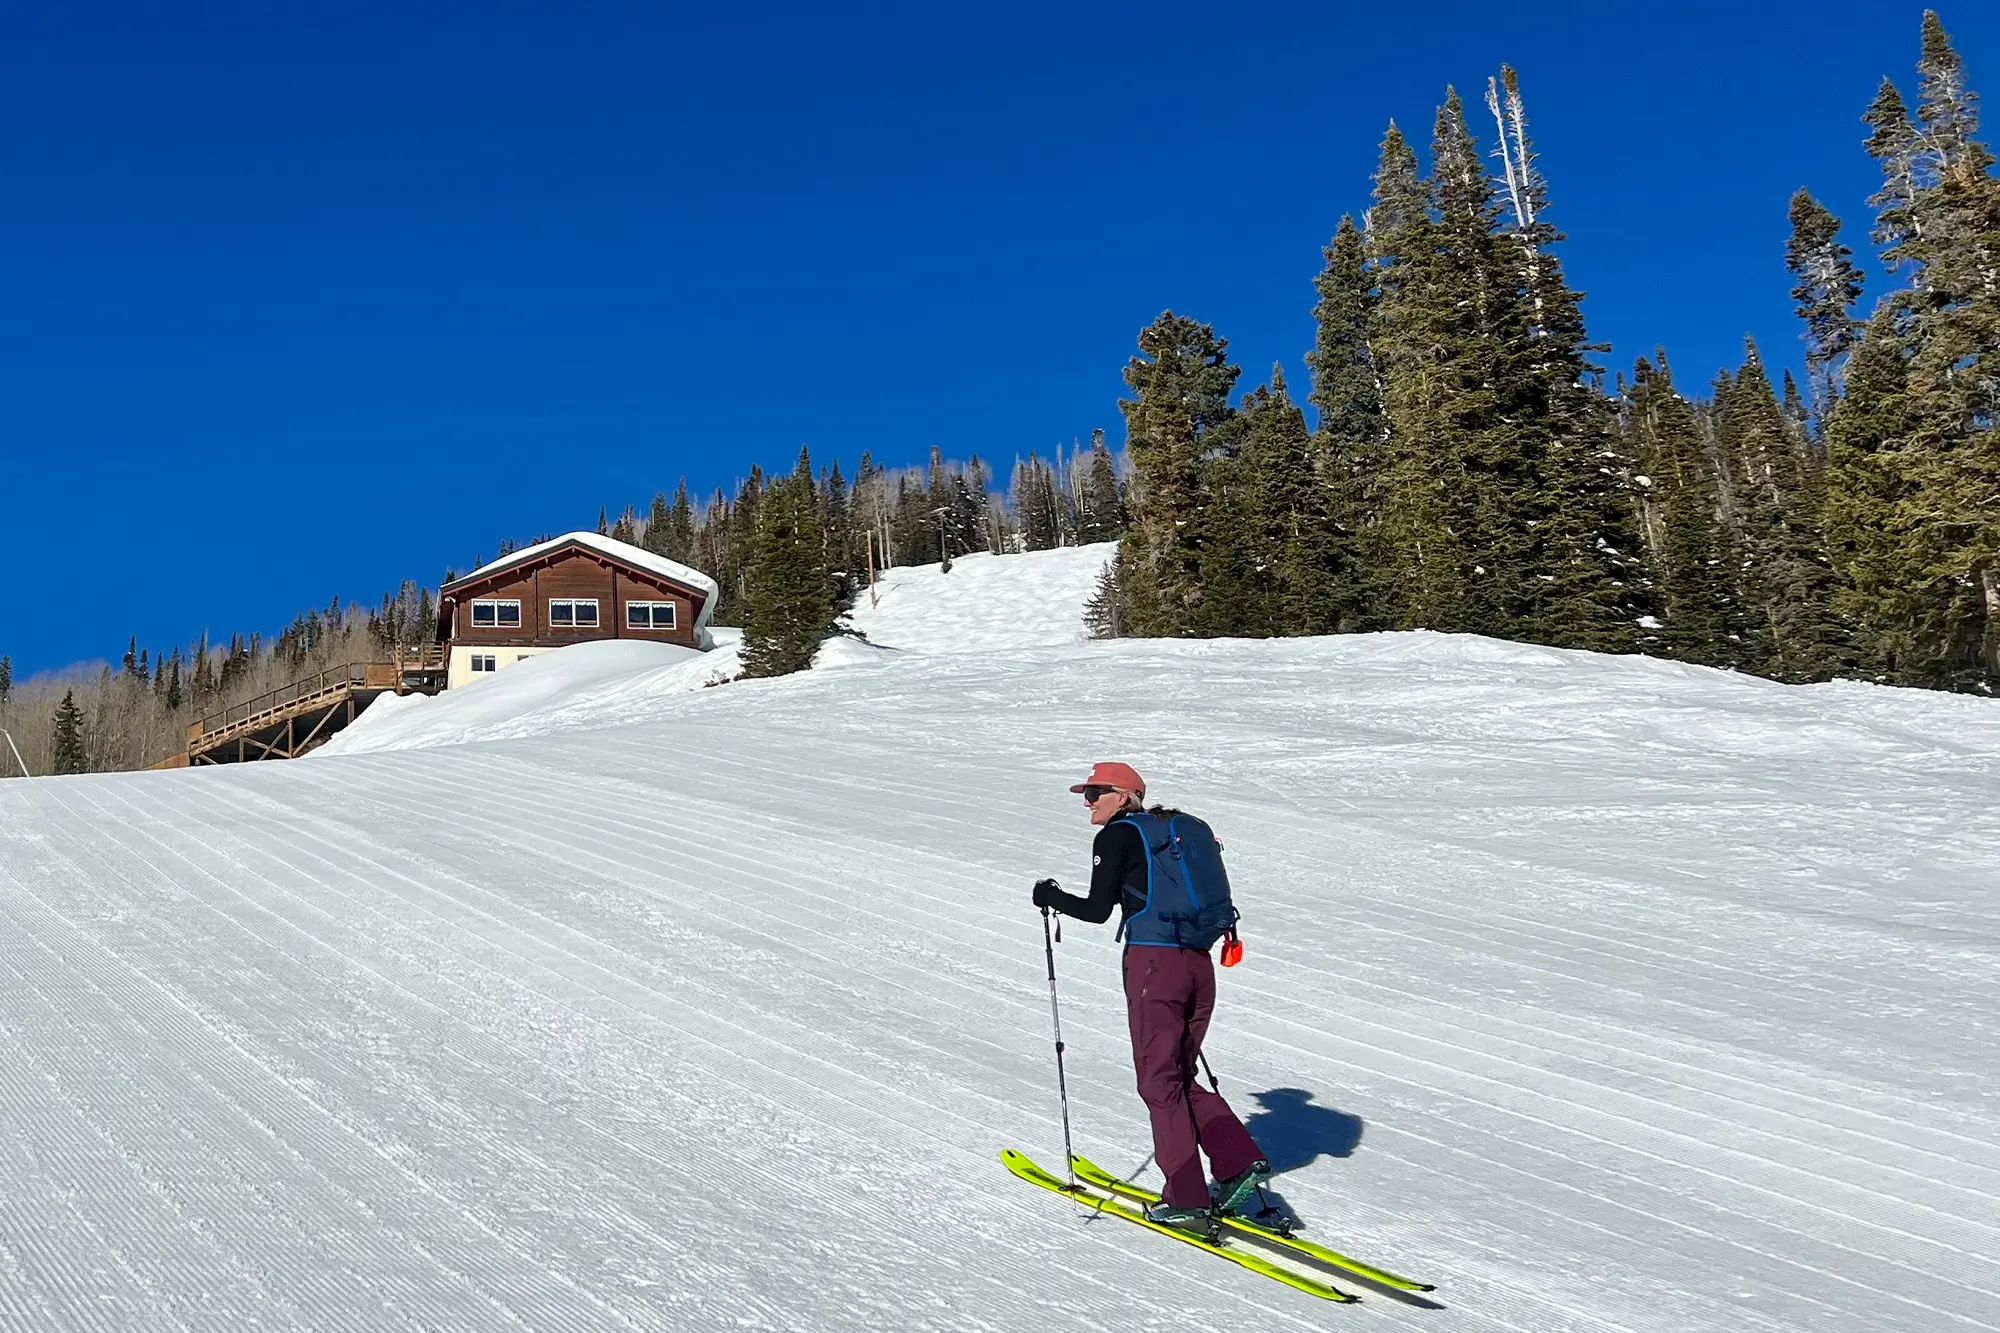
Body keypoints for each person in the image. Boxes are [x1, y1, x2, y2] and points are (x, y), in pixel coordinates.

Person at [1032, 761, 1270, 1228]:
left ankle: (1186, 1197)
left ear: (1123, 796)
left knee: (1158, 1081)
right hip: (1198, 962)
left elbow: (1098, 910)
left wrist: (1049, 896)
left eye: (1095, 793)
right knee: (1178, 1072)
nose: (1087, 802)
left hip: (1153, 965)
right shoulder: (1174, 832)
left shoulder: (1118, 836)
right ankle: (1239, 1161)